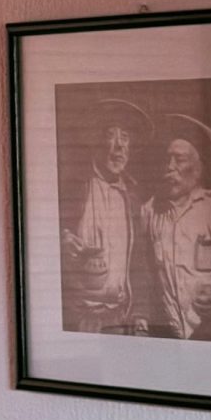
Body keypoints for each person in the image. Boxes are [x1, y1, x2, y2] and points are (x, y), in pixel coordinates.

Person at [142, 117, 211, 341]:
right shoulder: (150, 212)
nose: (170, 166)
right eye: (167, 159)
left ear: (198, 169)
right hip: (167, 336)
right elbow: (144, 273)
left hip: (210, 334)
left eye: (179, 159)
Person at [62, 105, 145, 332]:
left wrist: (140, 315)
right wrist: (63, 241)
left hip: (122, 318)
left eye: (125, 138)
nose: (119, 145)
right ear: (96, 142)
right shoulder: (75, 187)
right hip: (80, 318)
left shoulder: (133, 198)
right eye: (110, 135)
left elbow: (141, 263)